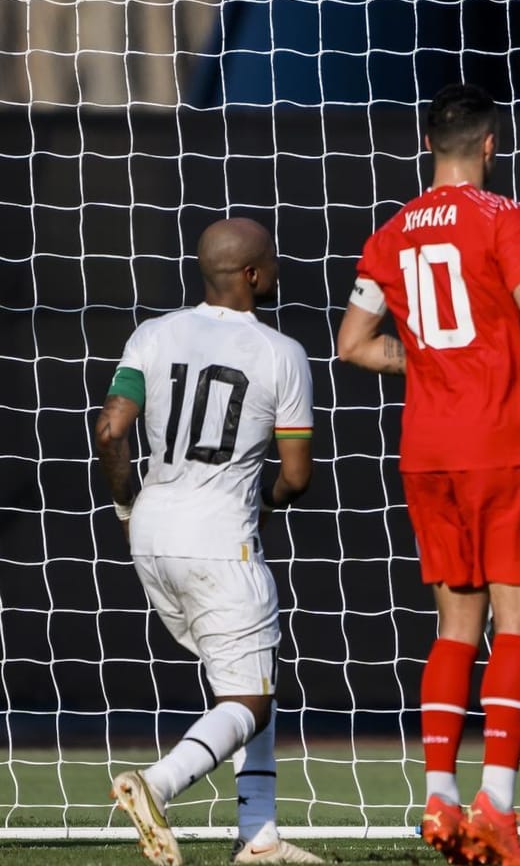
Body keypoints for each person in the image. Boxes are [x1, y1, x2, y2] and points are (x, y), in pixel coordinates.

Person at [336, 83, 520, 866]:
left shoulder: (390, 233)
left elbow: (353, 344)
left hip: (426, 450)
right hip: (498, 443)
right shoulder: (503, 216)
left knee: (453, 628)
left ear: (428, 145)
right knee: (517, 621)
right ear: (492, 144)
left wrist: (429, 362)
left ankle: (438, 795)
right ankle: (496, 807)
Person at [97, 219, 321, 866]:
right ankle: (156, 785)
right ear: (251, 275)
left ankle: (259, 836)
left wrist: (125, 505)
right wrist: (271, 504)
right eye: (272, 262)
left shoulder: (153, 332)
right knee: (248, 698)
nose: (278, 270)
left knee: (250, 681)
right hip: (220, 532)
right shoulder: (281, 351)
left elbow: (111, 431)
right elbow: (297, 474)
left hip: (152, 526)